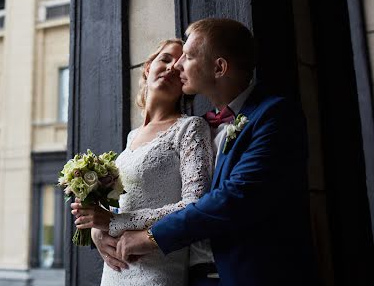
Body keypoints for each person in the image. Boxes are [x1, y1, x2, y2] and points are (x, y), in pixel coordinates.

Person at [113, 18, 318, 286]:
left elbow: (236, 197)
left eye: (187, 57)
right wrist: (101, 228)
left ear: (219, 67)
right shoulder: (198, 128)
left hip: (254, 274)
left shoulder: (274, 116)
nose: (177, 65)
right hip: (191, 276)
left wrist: (152, 237)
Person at [71, 39, 213, 286]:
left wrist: (114, 223)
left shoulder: (190, 128)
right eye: (166, 59)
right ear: (148, 66)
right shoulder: (131, 137)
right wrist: (97, 231)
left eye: (179, 67)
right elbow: (124, 202)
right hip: (115, 271)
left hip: (158, 270)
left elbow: (195, 205)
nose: (171, 68)